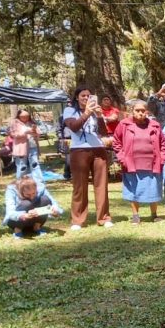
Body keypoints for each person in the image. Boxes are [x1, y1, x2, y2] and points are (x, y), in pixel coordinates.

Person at [61, 87, 114, 230]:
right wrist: (86, 113)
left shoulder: (95, 111)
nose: (86, 98)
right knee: (80, 186)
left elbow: (103, 132)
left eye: (89, 96)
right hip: (79, 150)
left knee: (101, 184)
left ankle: (104, 217)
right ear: (77, 97)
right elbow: (74, 127)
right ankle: (78, 220)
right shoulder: (69, 111)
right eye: (83, 95)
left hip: (98, 149)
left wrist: (99, 116)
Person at [113, 100, 165, 223]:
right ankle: (135, 215)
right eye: (137, 110)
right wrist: (122, 158)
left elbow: (163, 143)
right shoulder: (124, 124)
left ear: (147, 112)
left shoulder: (155, 125)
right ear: (132, 111)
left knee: (153, 188)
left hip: (153, 164)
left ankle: (154, 214)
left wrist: (163, 157)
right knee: (134, 188)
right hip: (132, 164)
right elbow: (116, 142)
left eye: (143, 111)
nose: (140, 113)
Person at [8, 108, 41, 179]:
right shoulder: (14, 123)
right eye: (23, 117)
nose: (25, 118)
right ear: (19, 116)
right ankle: (20, 183)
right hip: (21, 148)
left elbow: (38, 133)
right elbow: (14, 134)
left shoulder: (31, 123)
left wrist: (35, 132)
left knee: (35, 165)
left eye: (27, 116)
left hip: (33, 146)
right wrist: (25, 132)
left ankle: (38, 183)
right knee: (22, 166)